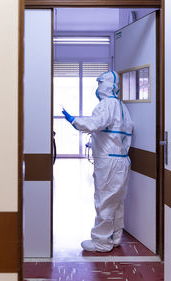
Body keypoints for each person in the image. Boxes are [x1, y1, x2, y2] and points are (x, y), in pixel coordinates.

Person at [62, 70, 133, 252]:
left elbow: (94, 123)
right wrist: (95, 141)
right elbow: (114, 133)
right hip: (122, 160)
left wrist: (73, 120)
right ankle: (115, 237)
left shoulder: (106, 105)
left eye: (99, 83)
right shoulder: (121, 106)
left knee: (104, 201)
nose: (97, 88)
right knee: (116, 202)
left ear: (107, 85)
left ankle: (101, 242)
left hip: (108, 163)